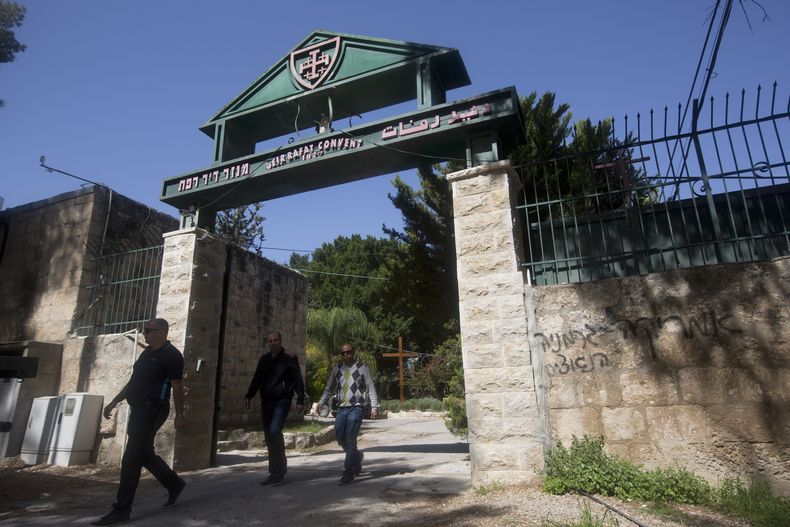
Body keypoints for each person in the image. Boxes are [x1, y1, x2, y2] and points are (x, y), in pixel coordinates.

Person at [92, 318, 186, 526]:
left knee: (131, 458)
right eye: (145, 330)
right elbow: (134, 381)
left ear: (162, 331)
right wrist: (115, 400)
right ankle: (174, 484)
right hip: (139, 409)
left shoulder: (172, 356)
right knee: (144, 453)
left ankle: (121, 510)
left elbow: (177, 387)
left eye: (148, 330)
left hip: (153, 409)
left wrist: (180, 415)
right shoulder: (148, 352)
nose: (144, 333)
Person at [244, 331, 305, 486]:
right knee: (269, 436)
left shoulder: (290, 358)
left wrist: (300, 400)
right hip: (266, 401)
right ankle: (273, 472)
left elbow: (298, 379)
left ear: (280, 340)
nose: (273, 343)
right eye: (270, 340)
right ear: (268, 342)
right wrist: (248, 396)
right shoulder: (264, 359)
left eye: (275, 340)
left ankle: (281, 470)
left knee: (274, 431)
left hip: (282, 400)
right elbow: (257, 378)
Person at [318, 343, 379, 485]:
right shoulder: (337, 369)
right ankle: (356, 457)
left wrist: (374, 407)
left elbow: (370, 387)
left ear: (353, 352)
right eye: (343, 353)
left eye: (349, 352)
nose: (346, 355)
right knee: (340, 437)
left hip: (356, 408)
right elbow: (329, 389)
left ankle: (348, 471)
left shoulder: (362, 367)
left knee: (351, 438)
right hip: (342, 409)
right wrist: (322, 402)